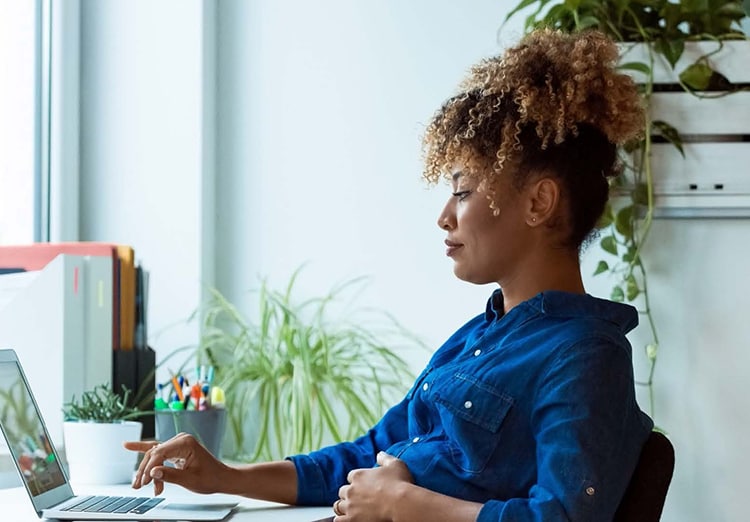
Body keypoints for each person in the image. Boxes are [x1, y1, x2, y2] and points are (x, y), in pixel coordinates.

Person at [126, 28, 654, 521]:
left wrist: (404, 500)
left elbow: (563, 517)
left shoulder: (584, 354)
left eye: (463, 190)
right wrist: (223, 476)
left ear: (538, 202)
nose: (445, 216)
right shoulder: (475, 339)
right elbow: (362, 455)